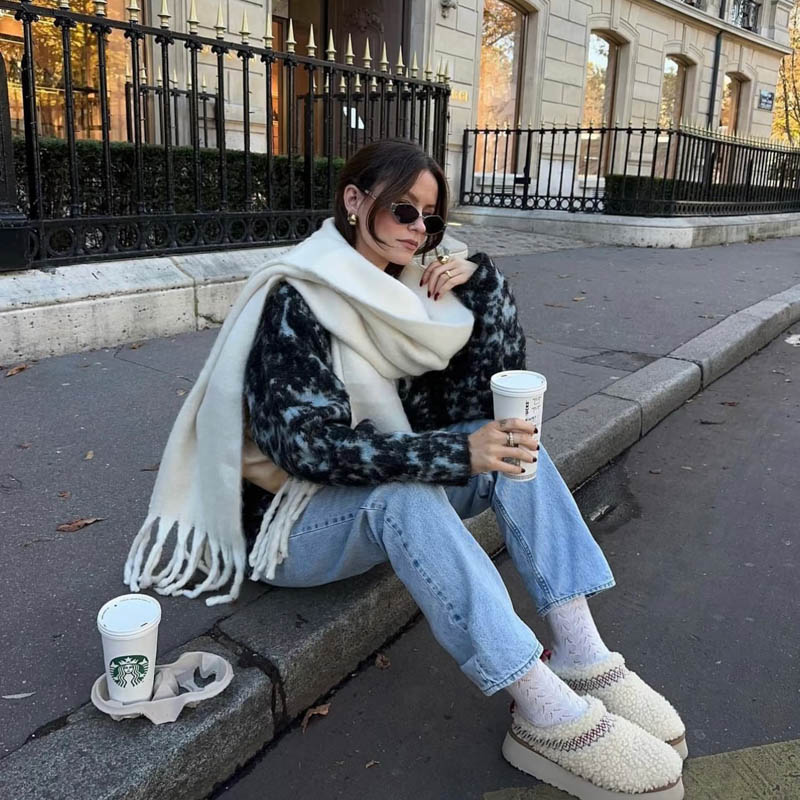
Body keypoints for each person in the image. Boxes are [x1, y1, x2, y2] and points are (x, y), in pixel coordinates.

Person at [125, 140, 685, 800]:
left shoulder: (414, 293)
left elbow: (481, 402)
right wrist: (454, 454)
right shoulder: (298, 299)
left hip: (371, 498)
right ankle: (544, 709)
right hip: (288, 523)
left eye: (431, 217)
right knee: (405, 494)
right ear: (355, 201)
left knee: (512, 448)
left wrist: (484, 290)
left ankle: (583, 655)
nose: (419, 229)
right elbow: (306, 448)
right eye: (403, 210)